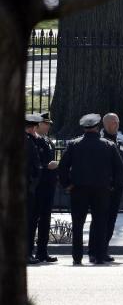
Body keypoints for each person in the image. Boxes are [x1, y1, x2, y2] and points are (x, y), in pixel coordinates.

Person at [58, 113, 123, 265]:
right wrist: (112, 186)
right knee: (100, 222)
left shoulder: (74, 144)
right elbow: (119, 169)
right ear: (97, 127)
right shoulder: (108, 145)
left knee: (78, 223)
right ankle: (99, 255)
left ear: (84, 128)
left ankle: (77, 256)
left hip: (78, 189)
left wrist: (67, 184)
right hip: (101, 190)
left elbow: (63, 167)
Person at [101, 113, 123, 262]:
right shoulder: (101, 143)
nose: (116, 125)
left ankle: (104, 248)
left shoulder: (121, 144)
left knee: (111, 220)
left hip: (117, 189)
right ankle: (97, 250)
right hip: (103, 189)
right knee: (101, 220)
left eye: (117, 122)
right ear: (105, 124)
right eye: (113, 123)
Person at [30, 112, 59, 263]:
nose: (48, 126)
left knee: (45, 220)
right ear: (38, 124)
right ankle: (29, 251)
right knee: (33, 218)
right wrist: (47, 167)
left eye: (49, 124)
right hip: (38, 186)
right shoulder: (33, 141)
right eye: (45, 124)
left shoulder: (48, 140)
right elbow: (32, 164)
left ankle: (42, 251)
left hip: (49, 185)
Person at [24, 115, 44, 265]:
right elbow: (35, 167)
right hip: (27, 189)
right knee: (28, 223)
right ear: (32, 127)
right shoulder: (28, 142)